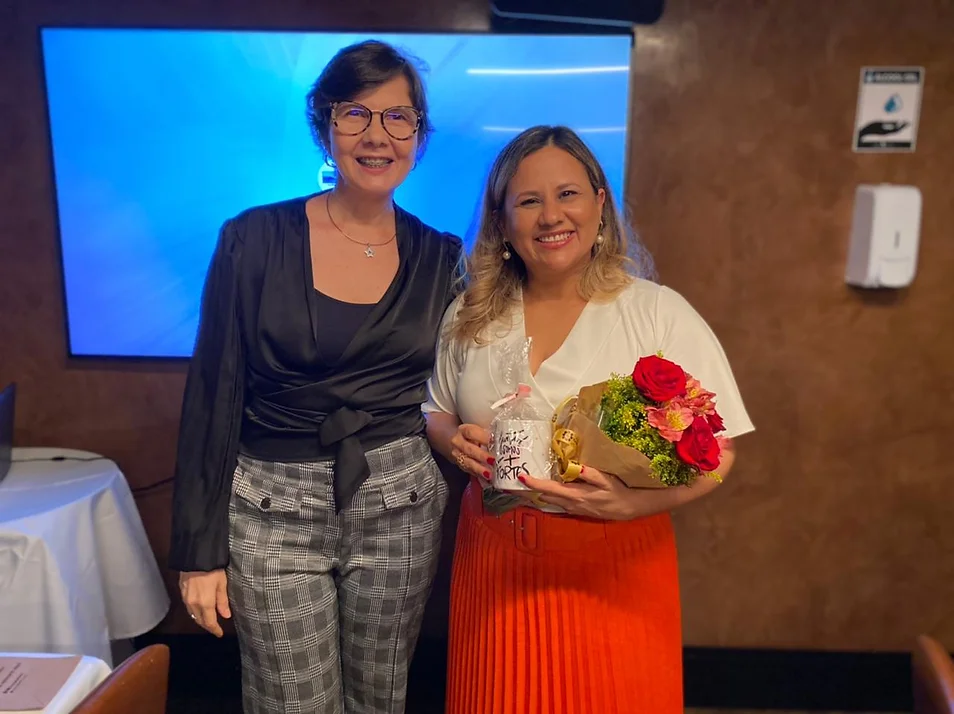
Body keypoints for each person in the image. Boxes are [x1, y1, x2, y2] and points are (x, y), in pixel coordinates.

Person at [169, 40, 463, 714]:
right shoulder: (253, 238)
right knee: (290, 703)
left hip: (400, 506)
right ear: (323, 125)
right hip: (272, 511)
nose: (377, 135)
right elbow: (214, 392)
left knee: (380, 698)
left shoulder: (441, 257)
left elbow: (459, 384)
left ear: (418, 134)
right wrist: (198, 552)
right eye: (354, 113)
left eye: (398, 117)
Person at [424, 125, 755, 713]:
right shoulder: (470, 315)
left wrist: (634, 505)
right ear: (501, 221)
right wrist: (454, 443)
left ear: (600, 203)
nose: (551, 216)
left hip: (617, 567)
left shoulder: (655, 313)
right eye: (529, 200)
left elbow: (720, 452)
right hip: (493, 563)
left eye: (568, 194)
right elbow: (437, 410)